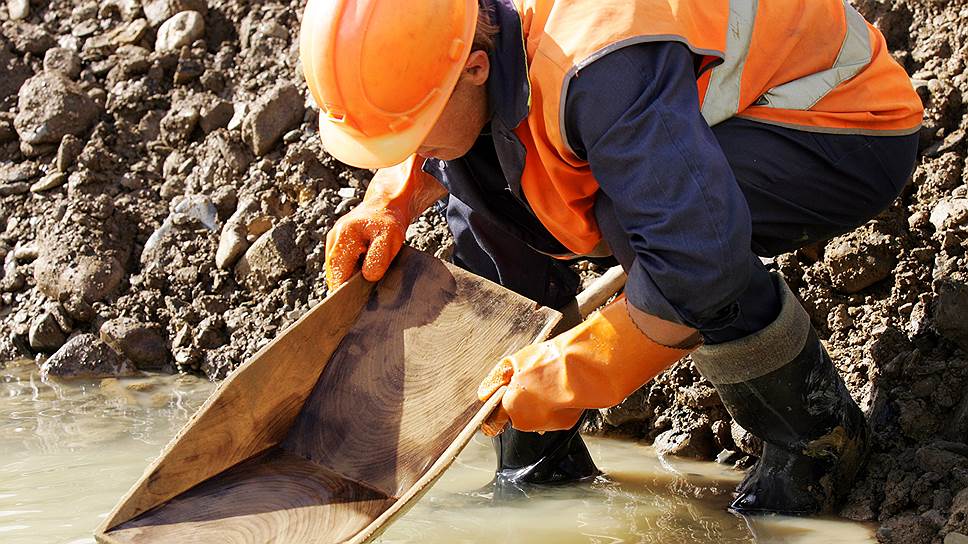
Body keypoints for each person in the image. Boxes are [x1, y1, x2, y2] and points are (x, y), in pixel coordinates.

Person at [299, 0, 923, 515]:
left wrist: (572, 376)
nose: (410, 148)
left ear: (477, 67)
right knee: (476, 185)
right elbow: (436, 111)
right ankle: (539, 460)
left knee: (652, 230)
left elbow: (696, 260)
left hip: (837, 120)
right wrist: (394, 197)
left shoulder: (601, 56)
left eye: (410, 131)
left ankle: (815, 439)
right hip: (682, 119)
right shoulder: (456, 27)